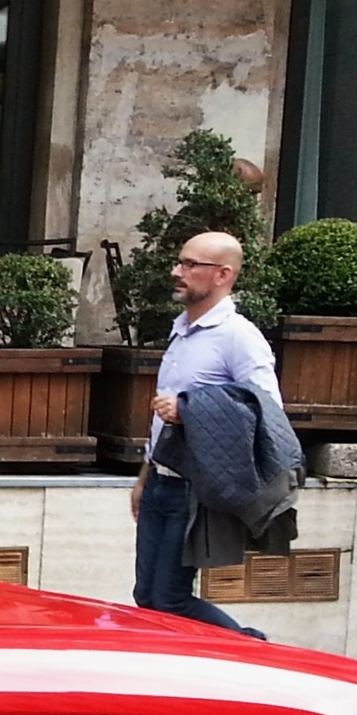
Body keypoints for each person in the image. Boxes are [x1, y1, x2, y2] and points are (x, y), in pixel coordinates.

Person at [132, 230, 280, 636]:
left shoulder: (238, 336)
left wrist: (190, 410)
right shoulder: (182, 329)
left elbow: (266, 409)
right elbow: (162, 418)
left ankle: (250, 651)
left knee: (170, 597)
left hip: (196, 489)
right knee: (147, 596)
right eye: (180, 262)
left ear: (223, 275)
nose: (177, 272)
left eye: (190, 265)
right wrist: (145, 475)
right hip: (162, 481)